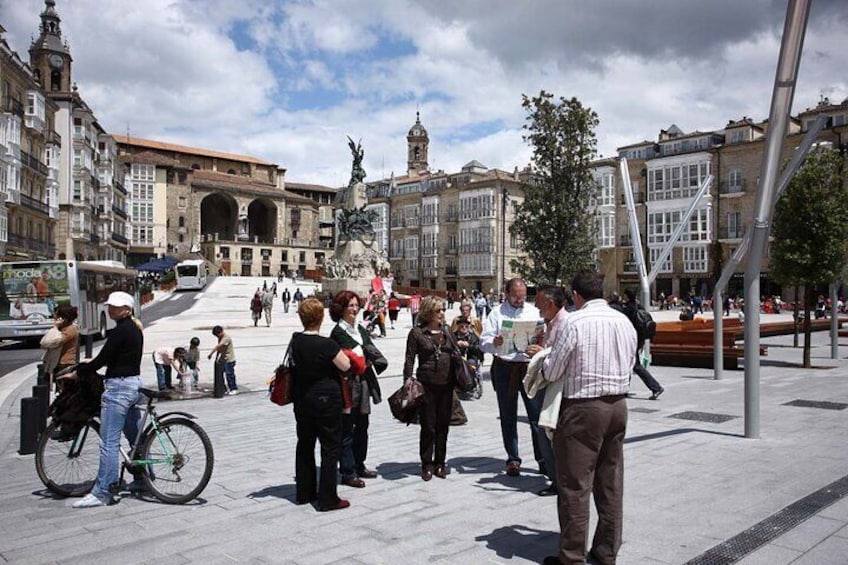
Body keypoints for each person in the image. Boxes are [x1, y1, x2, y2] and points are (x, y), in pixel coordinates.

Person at [541, 270, 637, 565]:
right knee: (610, 482)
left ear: (576, 295)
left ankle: (571, 557)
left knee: (574, 486)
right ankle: (607, 550)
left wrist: (542, 358)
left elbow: (553, 370)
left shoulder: (575, 322)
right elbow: (632, 362)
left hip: (582, 409)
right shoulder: (624, 321)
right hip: (618, 406)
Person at [69, 291, 145, 508]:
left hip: (119, 388)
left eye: (116, 307)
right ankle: (143, 479)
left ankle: (103, 491)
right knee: (135, 438)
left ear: (127, 309)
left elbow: (103, 359)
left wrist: (80, 370)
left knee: (109, 442)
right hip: (133, 385)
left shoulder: (122, 330)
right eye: (110, 306)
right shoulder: (134, 328)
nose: (111, 309)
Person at [291, 297, 352, 512]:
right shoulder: (326, 344)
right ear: (320, 317)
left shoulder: (295, 341)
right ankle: (327, 498)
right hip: (326, 401)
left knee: (305, 444)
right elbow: (345, 366)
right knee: (330, 447)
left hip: (302, 400)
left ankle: (304, 492)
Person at [480, 278, 543, 477]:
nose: (520, 299)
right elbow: (483, 342)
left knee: (536, 416)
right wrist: (494, 341)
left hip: (528, 367)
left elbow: (545, 336)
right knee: (508, 415)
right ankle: (513, 458)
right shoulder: (497, 313)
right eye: (516, 295)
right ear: (507, 294)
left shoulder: (533, 312)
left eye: (523, 295)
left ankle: (543, 459)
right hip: (505, 367)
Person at [329, 291, 381, 488]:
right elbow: (342, 358)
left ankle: (360, 464)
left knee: (363, 425)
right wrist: (359, 356)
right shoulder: (338, 332)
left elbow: (370, 348)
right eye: (350, 305)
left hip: (364, 382)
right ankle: (347, 471)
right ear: (341, 309)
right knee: (347, 428)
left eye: (356, 305)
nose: (354, 309)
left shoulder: (359, 328)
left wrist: (367, 356)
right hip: (348, 384)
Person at [523, 284, 569, 497]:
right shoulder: (549, 324)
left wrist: (542, 353)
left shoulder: (566, 324)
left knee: (549, 433)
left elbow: (562, 356)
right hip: (547, 384)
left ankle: (561, 481)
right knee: (545, 433)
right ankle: (556, 479)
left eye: (539, 301)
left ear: (550, 303)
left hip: (559, 388)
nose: (535, 305)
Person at [403, 296, 455, 480]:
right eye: (438, 310)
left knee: (443, 425)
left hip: (447, 384)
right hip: (426, 385)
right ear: (428, 312)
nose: (442, 313)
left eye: (443, 310)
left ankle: (440, 462)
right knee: (428, 426)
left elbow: (454, 353)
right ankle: (427, 464)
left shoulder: (447, 331)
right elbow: (409, 358)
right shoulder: (417, 333)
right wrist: (407, 383)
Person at [621, 289, 664, 401]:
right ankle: (624, 390)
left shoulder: (629, 309)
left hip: (631, 340)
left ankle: (656, 387)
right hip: (639, 339)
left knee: (635, 365)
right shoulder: (639, 306)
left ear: (626, 296)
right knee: (628, 364)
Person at [40, 304, 80, 392]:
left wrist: (55, 327)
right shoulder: (62, 328)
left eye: (56, 315)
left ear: (63, 318)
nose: (54, 317)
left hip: (65, 364)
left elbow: (48, 342)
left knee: (64, 391)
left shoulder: (70, 330)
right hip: (57, 363)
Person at [452, 316, 484, 401]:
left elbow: (479, 350)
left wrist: (469, 346)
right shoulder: (453, 336)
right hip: (457, 358)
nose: (464, 328)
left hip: (471, 357)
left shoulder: (473, 336)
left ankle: (469, 383)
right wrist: (456, 344)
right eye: (462, 326)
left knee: (470, 365)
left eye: (466, 326)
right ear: (458, 327)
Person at [208, 325, 238, 395]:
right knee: (220, 375)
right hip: (223, 360)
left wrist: (210, 354)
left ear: (221, 332)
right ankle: (224, 388)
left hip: (229, 360)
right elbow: (219, 349)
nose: (217, 337)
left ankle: (233, 388)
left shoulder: (226, 338)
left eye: (217, 335)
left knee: (229, 375)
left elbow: (218, 346)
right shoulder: (220, 337)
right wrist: (216, 358)